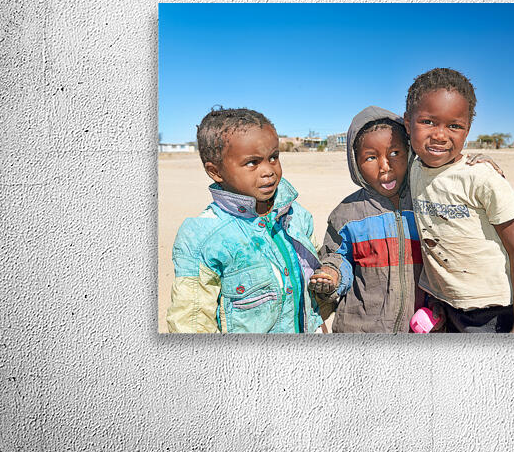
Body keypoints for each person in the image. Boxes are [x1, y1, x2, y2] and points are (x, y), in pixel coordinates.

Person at [165, 108, 323, 333]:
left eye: (273, 157)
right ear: (215, 172)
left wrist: (318, 324)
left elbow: (311, 283)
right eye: (252, 163)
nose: (268, 171)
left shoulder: (295, 215)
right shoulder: (203, 237)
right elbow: (191, 323)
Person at [404, 68, 514, 333]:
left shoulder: (481, 177)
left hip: (499, 310)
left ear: (467, 130)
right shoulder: (413, 168)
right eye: (428, 122)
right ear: (408, 124)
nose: (440, 135)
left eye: (454, 126)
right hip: (450, 306)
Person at [308, 107, 422, 332]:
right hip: (360, 329)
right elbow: (337, 257)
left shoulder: (424, 203)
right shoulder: (347, 213)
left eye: (395, 153)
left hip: (420, 327)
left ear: (410, 151)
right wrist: (332, 274)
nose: (385, 167)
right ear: (356, 164)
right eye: (371, 157)